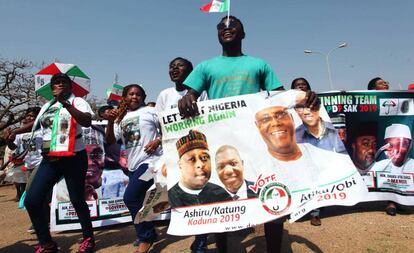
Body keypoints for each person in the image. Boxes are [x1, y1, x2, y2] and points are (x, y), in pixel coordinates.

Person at [177, 16, 319, 253]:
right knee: (220, 201)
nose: (227, 29)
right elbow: (191, 94)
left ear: (243, 34)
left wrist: (304, 98)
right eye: (222, 27)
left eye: (233, 26)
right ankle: (223, 248)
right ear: (217, 35)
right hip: (223, 142)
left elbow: (279, 97)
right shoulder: (205, 67)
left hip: (257, 142)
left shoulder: (259, 64)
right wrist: (188, 98)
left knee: (272, 194)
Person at [24, 73, 95, 253]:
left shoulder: (77, 101)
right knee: (32, 200)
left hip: (74, 158)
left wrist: (65, 103)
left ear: (70, 87)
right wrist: (17, 130)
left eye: (64, 82)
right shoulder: (47, 106)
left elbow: (86, 121)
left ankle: (88, 238)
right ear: (52, 88)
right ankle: (47, 243)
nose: (61, 85)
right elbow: (37, 125)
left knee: (77, 199)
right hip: (50, 159)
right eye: (57, 83)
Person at [156, 57, 209, 253]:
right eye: (171, 66)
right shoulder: (164, 95)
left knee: (198, 197)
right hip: (173, 153)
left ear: (191, 71)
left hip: (195, 150)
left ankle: (201, 241)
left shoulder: (201, 93)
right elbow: (161, 124)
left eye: (179, 66)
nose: (174, 69)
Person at [105, 84, 162, 253]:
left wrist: (158, 140)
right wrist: (109, 120)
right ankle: (148, 231)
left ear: (143, 97)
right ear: (125, 97)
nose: (134, 97)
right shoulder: (120, 118)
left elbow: (168, 127)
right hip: (133, 165)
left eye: (138, 94)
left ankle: (145, 237)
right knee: (140, 201)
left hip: (151, 162)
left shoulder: (151, 111)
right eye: (130, 94)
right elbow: (110, 141)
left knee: (130, 197)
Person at [168, 130, 231, 207]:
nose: (200, 165)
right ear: (180, 165)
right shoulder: (169, 199)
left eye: (204, 158)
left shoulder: (221, 194)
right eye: (192, 159)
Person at [370, 123, 414, 216]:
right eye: (391, 145)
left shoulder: (412, 164)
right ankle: (391, 204)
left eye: (403, 144)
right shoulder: (379, 165)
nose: (396, 150)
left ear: (409, 145)